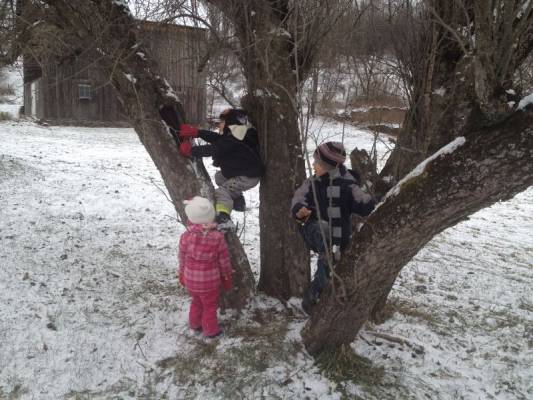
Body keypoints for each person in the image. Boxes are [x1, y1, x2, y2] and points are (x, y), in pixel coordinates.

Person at [291, 142, 376, 314]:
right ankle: (314, 294)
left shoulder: (348, 185)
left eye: (317, 163)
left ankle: (317, 292)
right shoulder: (312, 183)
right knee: (324, 231)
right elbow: (298, 198)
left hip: (339, 236)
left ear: (329, 166)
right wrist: (299, 210)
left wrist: (374, 200)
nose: (313, 165)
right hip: (314, 229)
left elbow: (363, 203)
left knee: (331, 262)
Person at [177, 108, 264, 229]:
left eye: (222, 122)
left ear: (230, 123)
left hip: (247, 176)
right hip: (244, 173)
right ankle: (238, 202)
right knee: (220, 177)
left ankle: (224, 218)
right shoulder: (237, 136)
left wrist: (191, 151)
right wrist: (197, 132)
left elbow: (215, 149)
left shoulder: (234, 140)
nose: (219, 125)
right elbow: (216, 139)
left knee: (222, 192)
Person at [178, 196, 233, 338]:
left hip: (191, 280)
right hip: (209, 283)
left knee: (196, 302)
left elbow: (181, 257)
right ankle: (211, 330)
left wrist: (181, 273)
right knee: (209, 306)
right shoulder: (217, 237)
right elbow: (224, 260)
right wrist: (226, 275)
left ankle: (195, 324)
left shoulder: (185, 236)